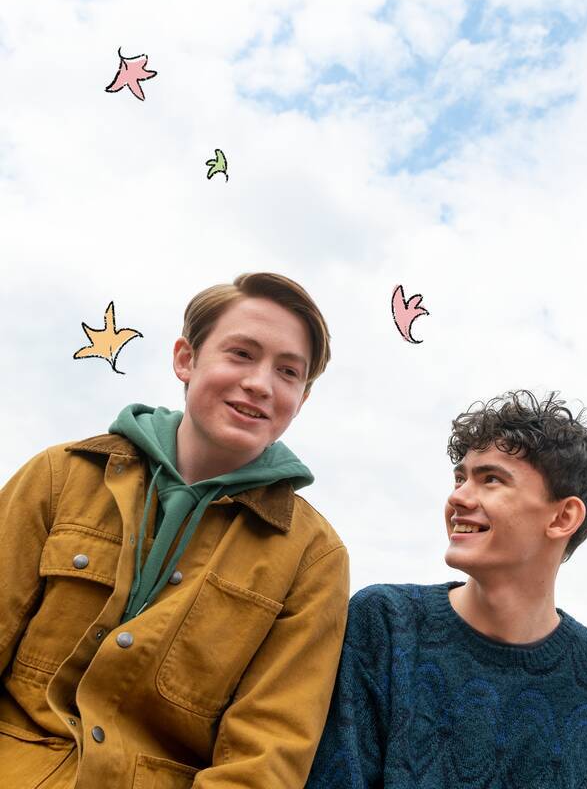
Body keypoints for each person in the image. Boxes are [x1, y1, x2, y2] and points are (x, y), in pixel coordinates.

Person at [0, 272, 349, 788]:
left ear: (302, 398)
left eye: (288, 372)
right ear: (186, 359)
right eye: (241, 354)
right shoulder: (58, 476)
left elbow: (264, 759)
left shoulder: (313, 557)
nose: (261, 384)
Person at [307, 390, 587, 788]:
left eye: (491, 479)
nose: (457, 497)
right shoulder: (386, 624)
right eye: (460, 478)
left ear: (563, 517)